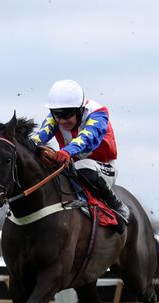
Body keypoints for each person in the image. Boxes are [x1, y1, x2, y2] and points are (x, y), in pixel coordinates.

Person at [31, 79, 130, 225]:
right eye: (57, 115)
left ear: (80, 110)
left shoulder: (98, 114)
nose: (62, 120)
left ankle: (117, 206)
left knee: (83, 167)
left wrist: (66, 151)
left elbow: (86, 138)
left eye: (67, 114)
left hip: (102, 167)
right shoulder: (55, 118)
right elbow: (39, 138)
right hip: (72, 165)